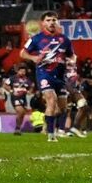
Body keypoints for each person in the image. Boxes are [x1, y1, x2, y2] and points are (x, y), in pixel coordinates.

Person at [19, 12, 76, 143]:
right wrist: (33, 58)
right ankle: (51, 135)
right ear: (43, 23)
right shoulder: (36, 39)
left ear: (57, 22)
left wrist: (72, 61)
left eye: (54, 20)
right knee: (51, 100)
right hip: (44, 74)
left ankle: (54, 127)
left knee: (62, 107)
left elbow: (72, 55)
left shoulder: (64, 39)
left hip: (60, 76)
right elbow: (22, 53)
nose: (51, 23)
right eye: (48, 20)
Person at [2, 65, 32, 136]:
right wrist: (11, 91)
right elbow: (5, 85)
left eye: (24, 71)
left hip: (23, 98)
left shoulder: (27, 80)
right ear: (18, 71)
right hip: (15, 97)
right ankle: (17, 128)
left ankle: (18, 128)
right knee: (20, 111)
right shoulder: (12, 78)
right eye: (21, 71)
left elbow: (31, 87)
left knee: (22, 113)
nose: (23, 72)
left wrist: (28, 91)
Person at [74, 72, 92, 138]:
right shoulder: (83, 85)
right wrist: (85, 102)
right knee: (83, 114)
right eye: (89, 80)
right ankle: (83, 130)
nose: (91, 82)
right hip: (84, 98)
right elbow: (82, 94)